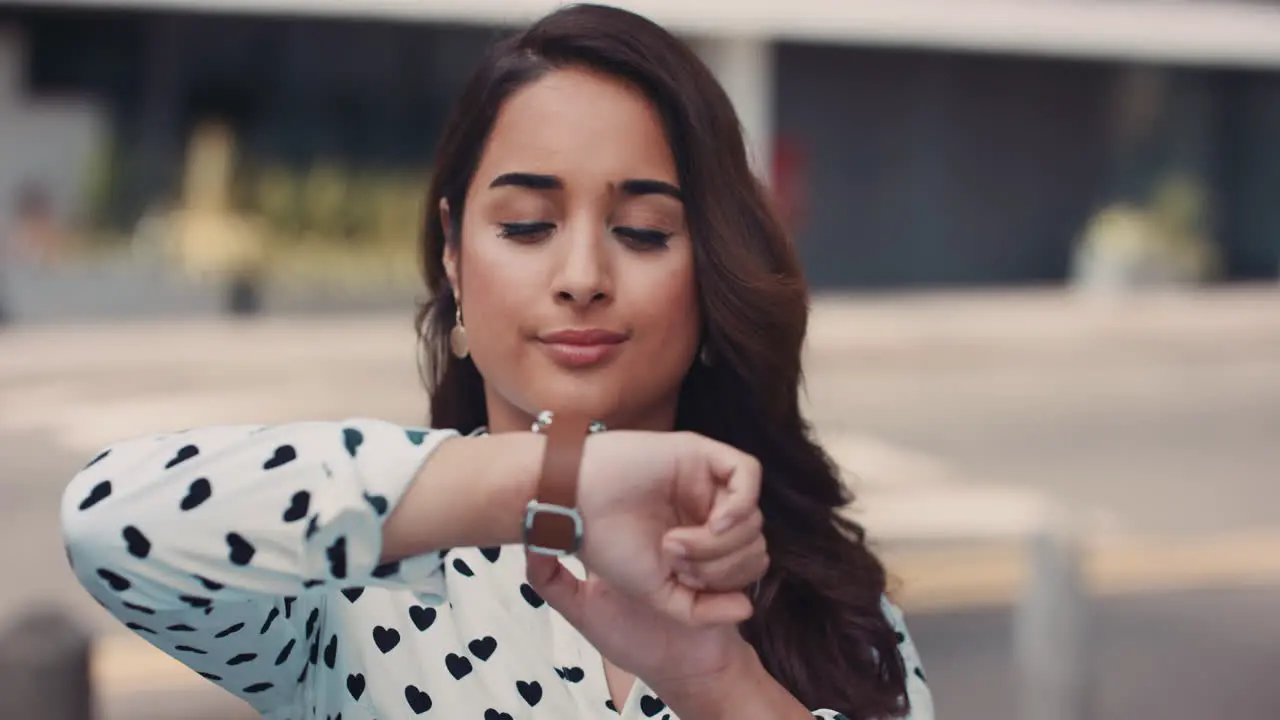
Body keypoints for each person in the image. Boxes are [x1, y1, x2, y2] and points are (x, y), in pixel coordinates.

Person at [60, 5, 934, 719]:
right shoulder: (353, 582)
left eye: (643, 232)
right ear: (452, 250)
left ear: (709, 268)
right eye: (526, 225)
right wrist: (560, 486)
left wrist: (716, 683)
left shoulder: (837, 617)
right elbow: (108, 520)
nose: (584, 277)